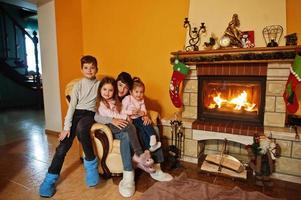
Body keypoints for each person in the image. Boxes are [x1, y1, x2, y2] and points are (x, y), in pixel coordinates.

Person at [39, 55, 100, 197]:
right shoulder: (78, 85)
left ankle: (91, 167)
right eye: (86, 68)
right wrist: (66, 127)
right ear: (81, 69)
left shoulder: (99, 85)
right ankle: (49, 181)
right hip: (76, 114)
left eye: (92, 67)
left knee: (81, 129)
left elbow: (109, 95)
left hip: (89, 115)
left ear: (97, 68)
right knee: (62, 147)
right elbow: (71, 108)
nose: (89, 70)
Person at [95, 76, 155, 197]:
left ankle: (143, 164)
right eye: (105, 89)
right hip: (109, 126)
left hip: (120, 124)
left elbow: (123, 111)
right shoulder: (101, 103)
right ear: (100, 90)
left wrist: (142, 115)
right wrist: (123, 118)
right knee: (130, 127)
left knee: (130, 133)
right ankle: (139, 154)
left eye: (110, 90)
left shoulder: (116, 100)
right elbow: (109, 115)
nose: (107, 93)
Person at [115, 72, 173, 182]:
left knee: (153, 128)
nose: (122, 89)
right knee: (136, 130)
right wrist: (126, 116)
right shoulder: (111, 95)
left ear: (130, 90)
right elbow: (113, 113)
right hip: (123, 125)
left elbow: (141, 107)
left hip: (135, 119)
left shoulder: (131, 97)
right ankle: (147, 162)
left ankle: (157, 166)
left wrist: (145, 115)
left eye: (126, 87)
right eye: (120, 85)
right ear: (115, 83)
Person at [122, 77, 161, 152]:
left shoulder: (142, 100)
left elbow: (144, 109)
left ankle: (153, 137)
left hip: (139, 117)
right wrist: (131, 112)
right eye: (136, 92)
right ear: (131, 92)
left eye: (141, 92)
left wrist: (143, 113)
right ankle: (149, 147)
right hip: (132, 119)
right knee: (141, 131)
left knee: (147, 123)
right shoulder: (128, 99)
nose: (139, 94)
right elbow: (122, 110)